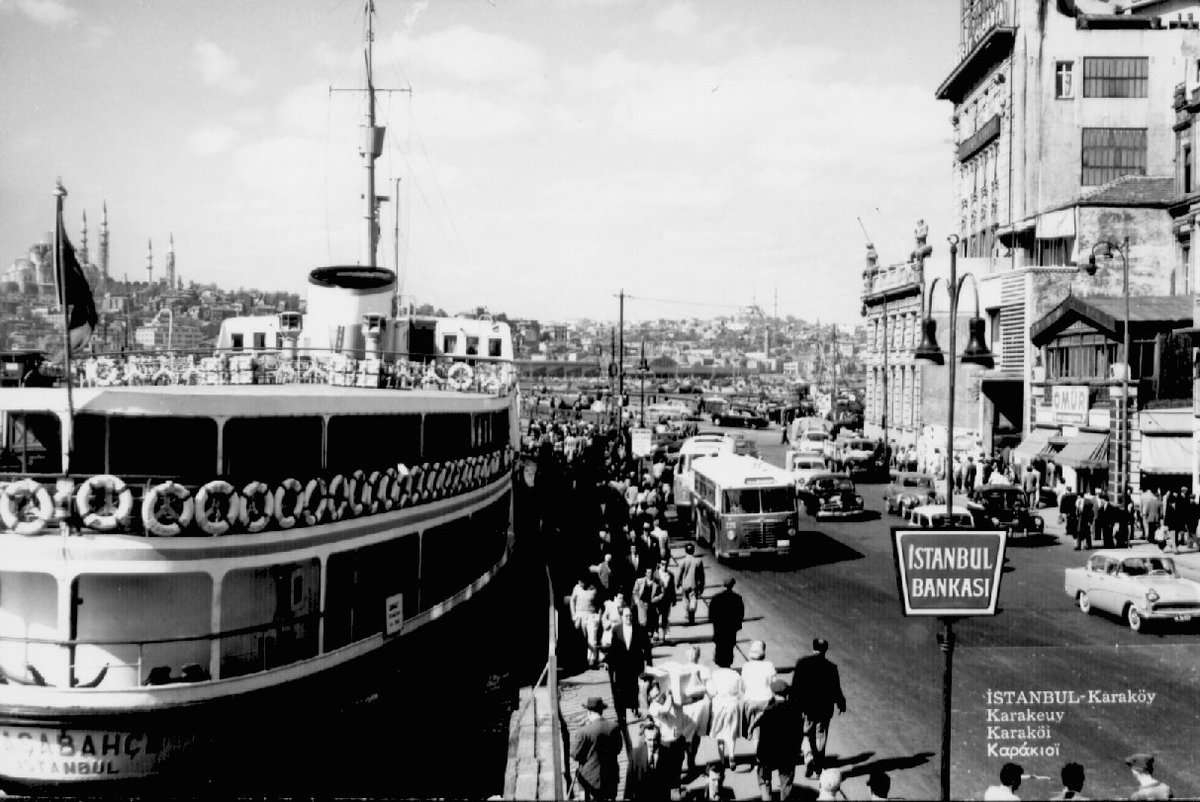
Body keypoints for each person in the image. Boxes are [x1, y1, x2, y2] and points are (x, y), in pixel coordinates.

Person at [793, 637, 846, 778]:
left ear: (813, 647)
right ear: (826, 650)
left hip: (806, 708)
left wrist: (793, 704)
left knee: (804, 734)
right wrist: (841, 703)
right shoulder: (831, 667)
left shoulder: (802, 663)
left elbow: (796, 687)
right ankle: (818, 765)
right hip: (824, 709)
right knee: (820, 735)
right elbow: (836, 689)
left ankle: (809, 758)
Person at [755, 678, 801, 802]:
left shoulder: (769, 711)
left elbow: (763, 737)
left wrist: (759, 755)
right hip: (788, 755)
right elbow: (799, 735)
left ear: (773, 693)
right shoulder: (795, 711)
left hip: (769, 755)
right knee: (786, 782)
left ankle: (767, 798)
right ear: (786, 694)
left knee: (764, 779)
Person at [571, 696, 622, 801]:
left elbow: (574, 754)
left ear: (589, 712)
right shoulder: (614, 727)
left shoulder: (584, 731)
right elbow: (618, 748)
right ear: (601, 711)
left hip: (590, 780)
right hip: (611, 776)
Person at [674, 645, 712, 777]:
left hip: (694, 706)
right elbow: (711, 690)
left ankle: (690, 763)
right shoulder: (682, 669)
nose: (692, 656)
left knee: (691, 736)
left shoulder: (701, 669)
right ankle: (689, 763)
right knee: (689, 737)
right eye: (690, 653)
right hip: (689, 705)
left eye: (693, 653)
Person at [608, 606, 651, 719]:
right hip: (621, 665)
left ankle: (634, 708)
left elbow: (647, 648)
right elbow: (613, 649)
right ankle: (622, 715)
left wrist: (649, 665)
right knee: (622, 687)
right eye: (626, 616)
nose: (629, 618)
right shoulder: (616, 630)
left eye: (630, 616)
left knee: (634, 687)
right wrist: (609, 663)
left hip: (636, 663)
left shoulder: (640, 629)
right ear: (622, 617)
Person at [625, 718, 676, 802]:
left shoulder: (668, 755)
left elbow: (673, 782)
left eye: (654, 740)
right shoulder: (635, 754)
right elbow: (630, 781)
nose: (652, 744)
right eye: (649, 740)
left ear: (659, 738)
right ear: (644, 738)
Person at [705, 663, 743, 767]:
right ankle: (731, 754)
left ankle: (722, 760)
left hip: (719, 705)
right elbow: (740, 692)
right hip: (732, 704)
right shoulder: (736, 675)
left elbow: (712, 691)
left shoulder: (715, 674)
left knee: (719, 734)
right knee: (731, 732)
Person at [739, 640, 777, 741]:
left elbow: (742, 687)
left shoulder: (746, 666)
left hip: (750, 700)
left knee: (748, 721)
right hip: (766, 701)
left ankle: (748, 732)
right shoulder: (769, 665)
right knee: (766, 727)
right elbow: (774, 685)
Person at [708, 578, 745, 669]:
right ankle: (727, 664)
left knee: (720, 645)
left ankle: (720, 664)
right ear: (733, 585)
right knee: (729, 646)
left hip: (719, 628)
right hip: (731, 628)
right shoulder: (737, 598)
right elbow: (740, 614)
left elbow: (711, 614)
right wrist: (738, 625)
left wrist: (714, 622)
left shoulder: (716, 598)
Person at [677, 543, 706, 625]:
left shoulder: (682, 561)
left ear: (685, 551)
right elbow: (701, 575)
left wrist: (677, 583)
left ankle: (688, 610)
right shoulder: (698, 561)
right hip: (694, 584)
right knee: (693, 599)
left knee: (685, 599)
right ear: (693, 551)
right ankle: (692, 612)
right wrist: (702, 585)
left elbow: (679, 574)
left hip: (685, 585)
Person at [654, 560, 677, 644]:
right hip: (657, 599)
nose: (665, 566)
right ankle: (655, 632)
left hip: (667, 599)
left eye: (666, 564)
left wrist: (674, 599)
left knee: (665, 617)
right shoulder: (655, 574)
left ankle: (664, 636)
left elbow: (672, 587)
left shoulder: (670, 575)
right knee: (655, 616)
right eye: (663, 564)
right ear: (660, 565)